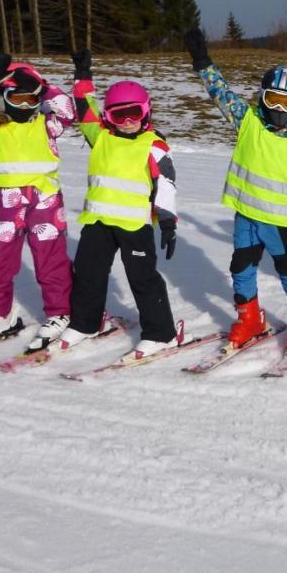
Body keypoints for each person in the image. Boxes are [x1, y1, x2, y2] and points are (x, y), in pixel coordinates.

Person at [183, 28, 287, 354]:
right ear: (262, 97)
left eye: (286, 102)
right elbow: (220, 92)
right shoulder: (248, 121)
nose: (278, 109)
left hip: (279, 223)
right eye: (271, 99)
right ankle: (249, 319)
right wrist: (202, 61)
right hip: (245, 216)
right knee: (240, 268)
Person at [55, 50, 181, 357]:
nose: (126, 122)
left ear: (146, 112)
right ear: (108, 116)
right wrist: (83, 74)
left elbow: (166, 186)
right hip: (98, 222)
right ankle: (86, 323)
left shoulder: (154, 146)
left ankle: (162, 333)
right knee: (88, 272)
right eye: (118, 115)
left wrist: (167, 223)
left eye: (133, 114)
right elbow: (85, 106)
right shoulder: (100, 136)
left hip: (134, 224)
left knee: (142, 278)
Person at [0, 52, 75, 351]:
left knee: (50, 258)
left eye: (31, 99)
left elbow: (68, 111)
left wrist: (42, 84)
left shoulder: (47, 125)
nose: (25, 106)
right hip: (7, 205)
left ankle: (61, 311)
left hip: (45, 201)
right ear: (3, 97)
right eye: (17, 98)